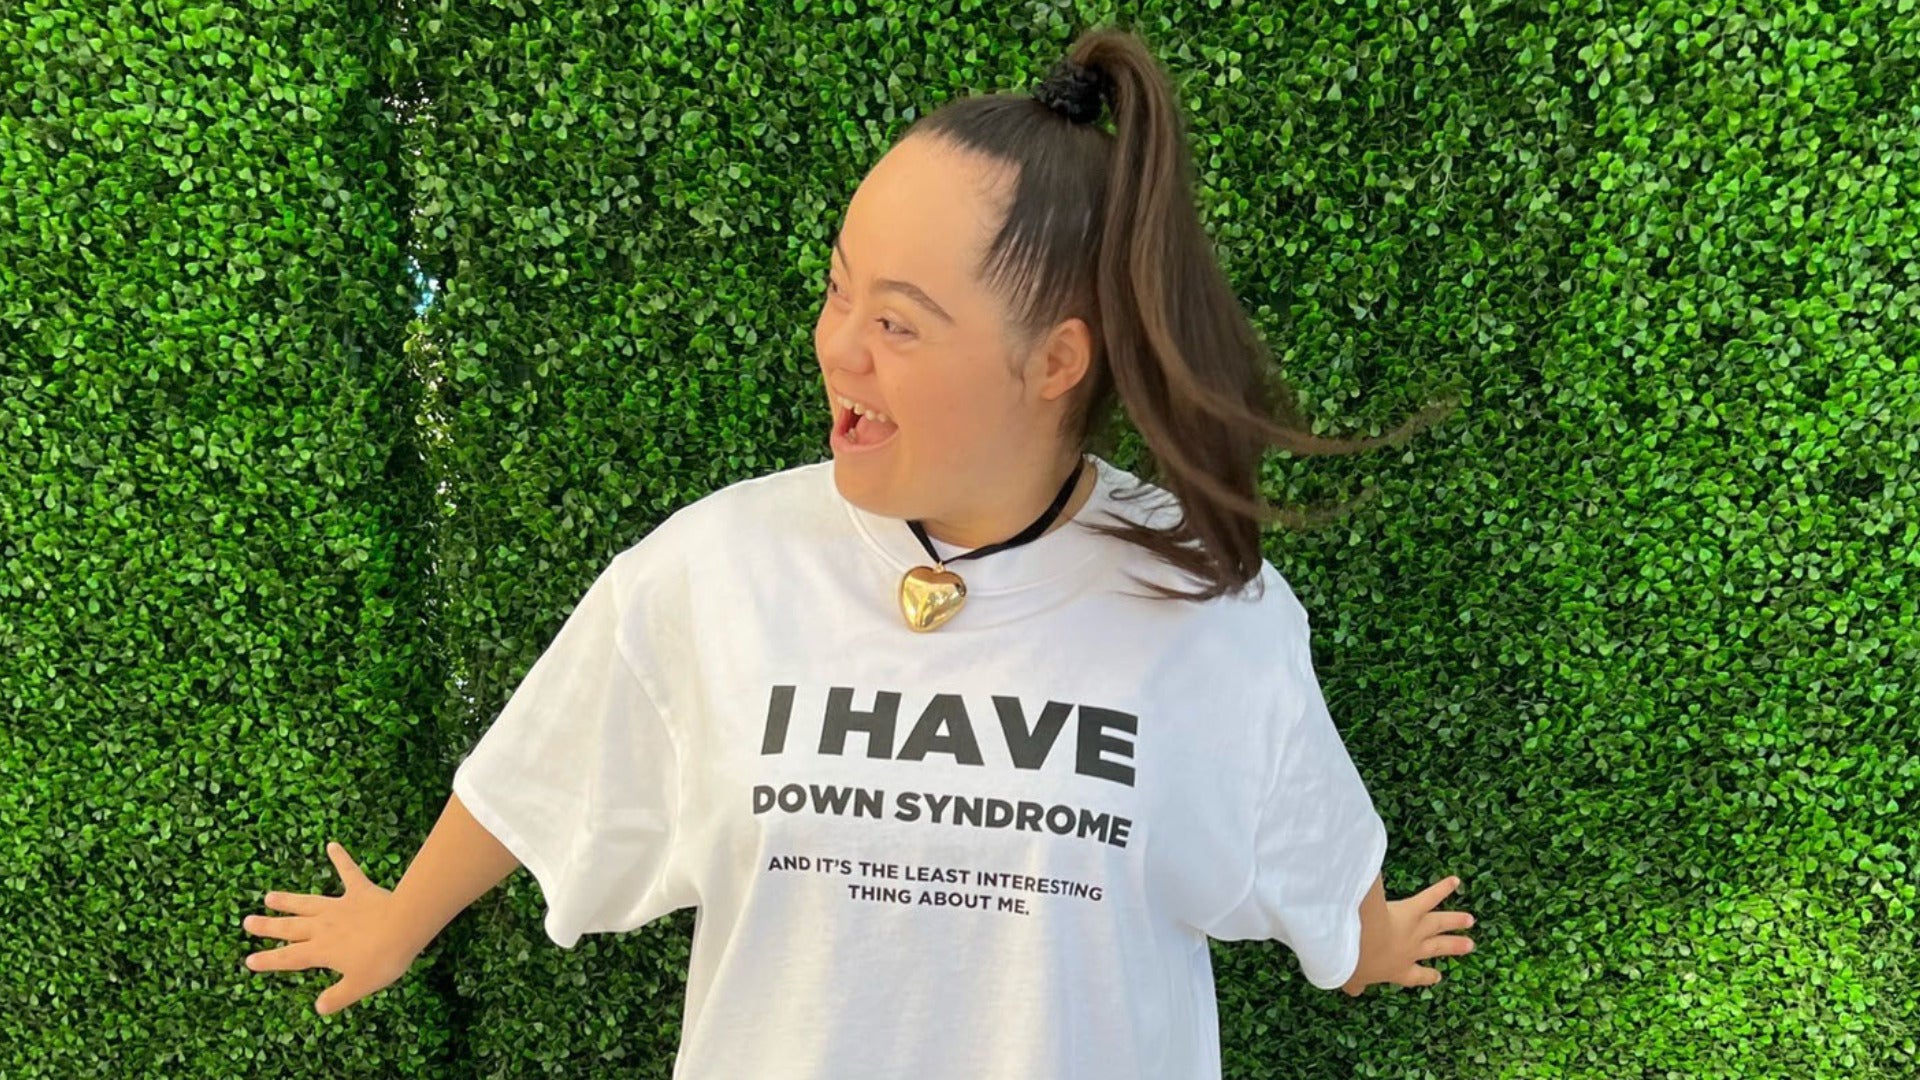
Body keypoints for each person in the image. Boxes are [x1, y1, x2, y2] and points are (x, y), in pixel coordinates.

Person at [243, 23, 1476, 1077]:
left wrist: (1364, 944)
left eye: (899, 322)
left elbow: (1300, 825)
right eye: (840, 293)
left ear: (1054, 361)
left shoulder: (1207, 608)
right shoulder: (718, 567)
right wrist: (400, 919)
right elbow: (557, 756)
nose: (840, 349)